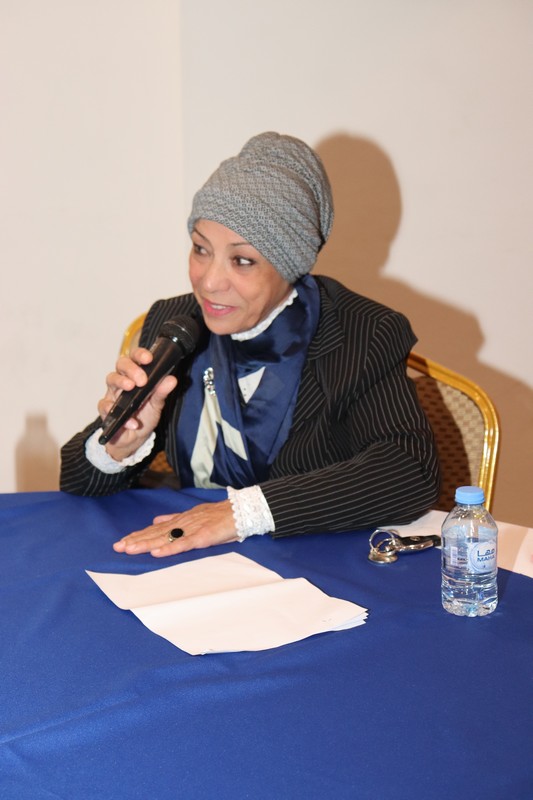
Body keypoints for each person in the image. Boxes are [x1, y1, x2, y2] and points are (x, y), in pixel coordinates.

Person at [60, 131, 440, 557]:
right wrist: (122, 443)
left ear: (290, 264)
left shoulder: (361, 332)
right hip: (195, 565)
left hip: (317, 564)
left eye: (242, 261)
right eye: (200, 249)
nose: (209, 281)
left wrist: (241, 514)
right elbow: (75, 484)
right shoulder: (177, 322)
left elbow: (410, 472)